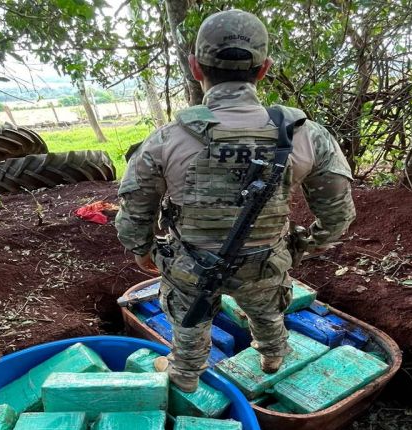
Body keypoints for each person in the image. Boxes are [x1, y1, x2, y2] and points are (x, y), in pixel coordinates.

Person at [115, 9, 355, 393]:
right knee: (267, 311)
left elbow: (134, 212)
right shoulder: (306, 135)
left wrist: (142, 249)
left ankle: (185, 374)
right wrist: (301, 247)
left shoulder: (166, 140)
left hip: (190, 266)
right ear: (264, 69)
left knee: (189, 321)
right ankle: (273, 355)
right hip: (265, 263)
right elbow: (338, 213)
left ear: (195, 67)